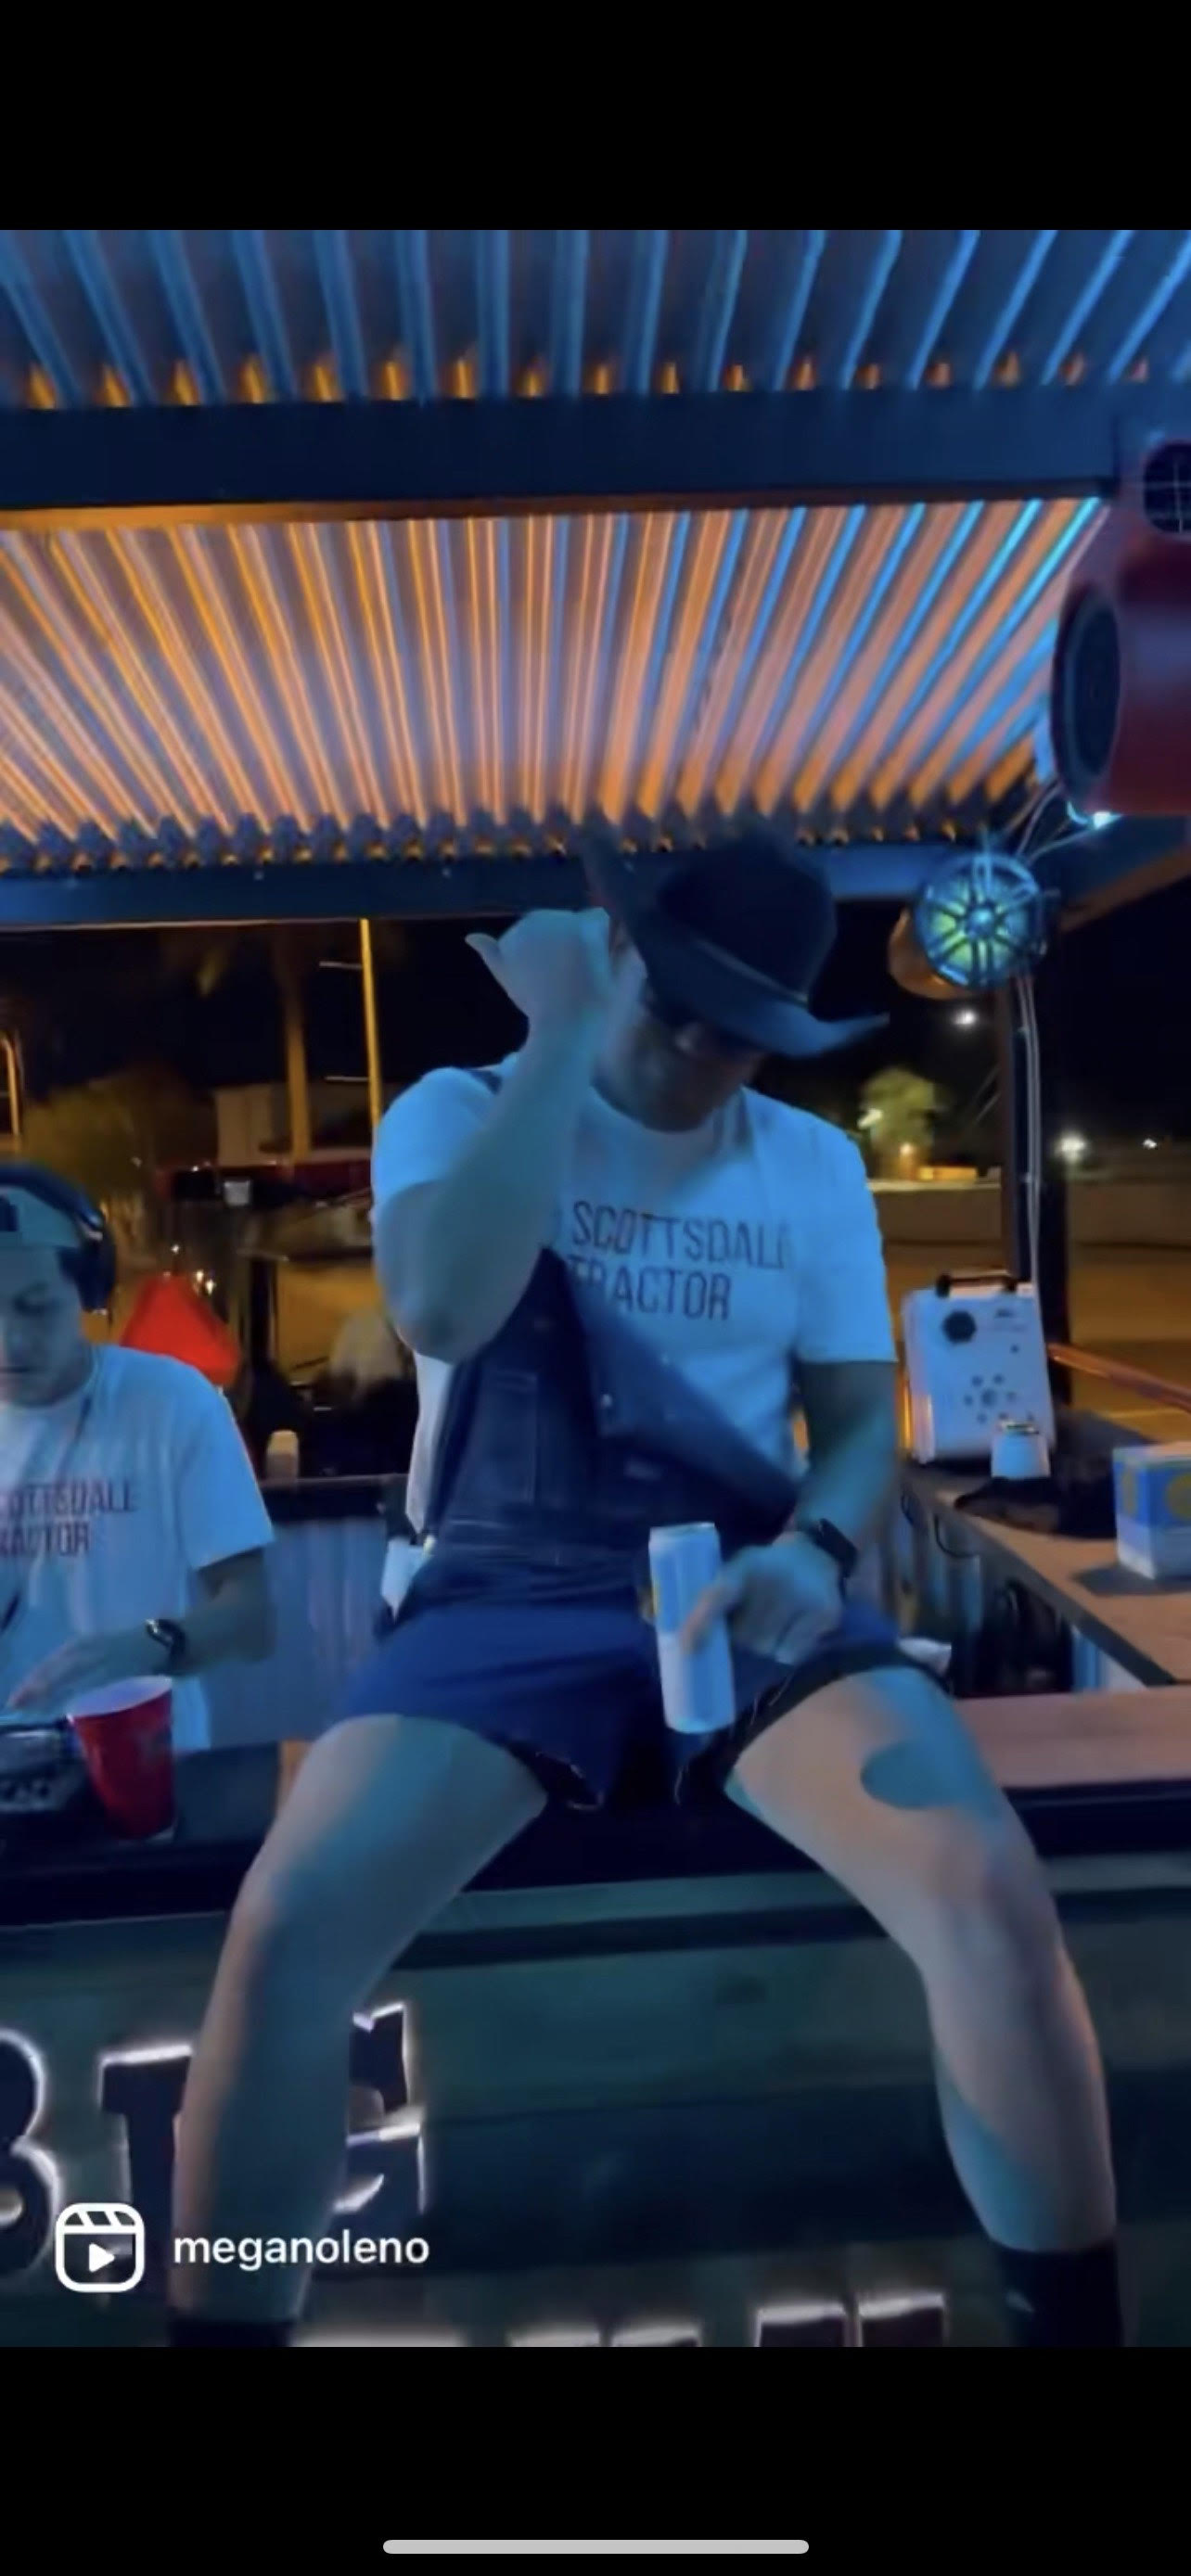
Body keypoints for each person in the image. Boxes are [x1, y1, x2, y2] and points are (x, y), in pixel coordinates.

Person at [169, 835, 1122, 2348]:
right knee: (286, 1925)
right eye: (672, 1004)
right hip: (502, 1581)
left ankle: (1072, 2321)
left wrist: (812, 1551)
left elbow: (858, 1419)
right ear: (609, 953)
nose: (698, 1054)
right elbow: (440, 1302)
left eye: (738, 1028)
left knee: (986, 1892)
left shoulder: (805, 1162)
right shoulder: (465, 1108)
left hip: (751, 1575)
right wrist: (553, 1042)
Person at [0, 1165, 275, 1750]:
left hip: (145, 1765)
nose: (10, 1341)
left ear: (89, 1294)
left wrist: (145, 1648)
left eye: (36, 1307)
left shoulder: (174, 1403)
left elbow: (252, 1620)